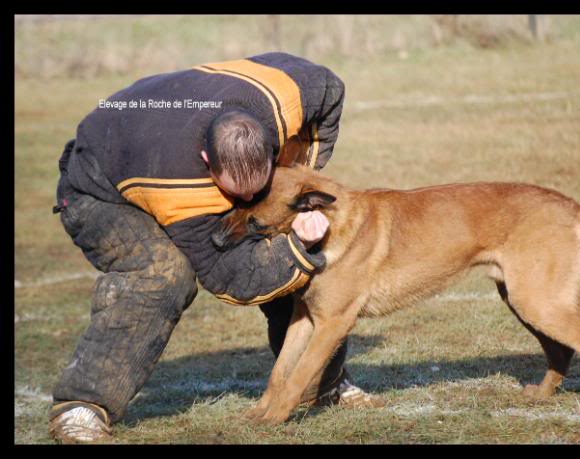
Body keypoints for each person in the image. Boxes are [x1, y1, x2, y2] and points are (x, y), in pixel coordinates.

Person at [48, 52, 381, 444]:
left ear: (270, 144)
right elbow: (231, 275)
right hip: (96, 188)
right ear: (208, 164)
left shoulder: (294, 95)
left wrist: (299, 184)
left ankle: (323, 382)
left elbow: (330, 89)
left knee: (277, 233)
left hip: (151, 122)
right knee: (162, 273)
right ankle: (81, 406)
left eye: (261, 188)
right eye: (237, 194)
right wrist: (299, 244)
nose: (251, 199)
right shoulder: (182, 187)